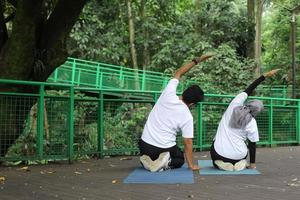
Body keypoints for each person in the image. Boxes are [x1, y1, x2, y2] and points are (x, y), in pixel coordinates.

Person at [138, 54, 213, 172]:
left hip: (144, 145)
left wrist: (197, 61)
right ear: (193, 104)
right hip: (162, 149)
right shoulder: (187, 116)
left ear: (184, 92)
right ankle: (164, 163)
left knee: (153, 151)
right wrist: (191, 165)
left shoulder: (168, 93)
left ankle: (147, 162)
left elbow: (178, 73)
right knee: (179, 158)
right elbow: (188, 142)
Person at [210, 69, 279, 171]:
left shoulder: (234, 105)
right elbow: (252, 144)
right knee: (243, 151)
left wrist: (265, 75)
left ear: (249, 103)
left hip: (220, 153)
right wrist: (252, 164)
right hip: (239, 155)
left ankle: (220, 163)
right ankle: (240, 163)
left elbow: (250, 88)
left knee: (215, 143)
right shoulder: (252, 122)